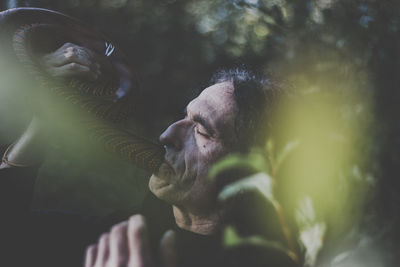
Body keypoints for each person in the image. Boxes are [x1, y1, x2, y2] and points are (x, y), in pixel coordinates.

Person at [0, 43, 297, 267]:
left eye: (202, 131)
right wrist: (41, 128)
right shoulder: (122, 234)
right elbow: (12, 240)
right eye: (185, 117)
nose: (167, 135)